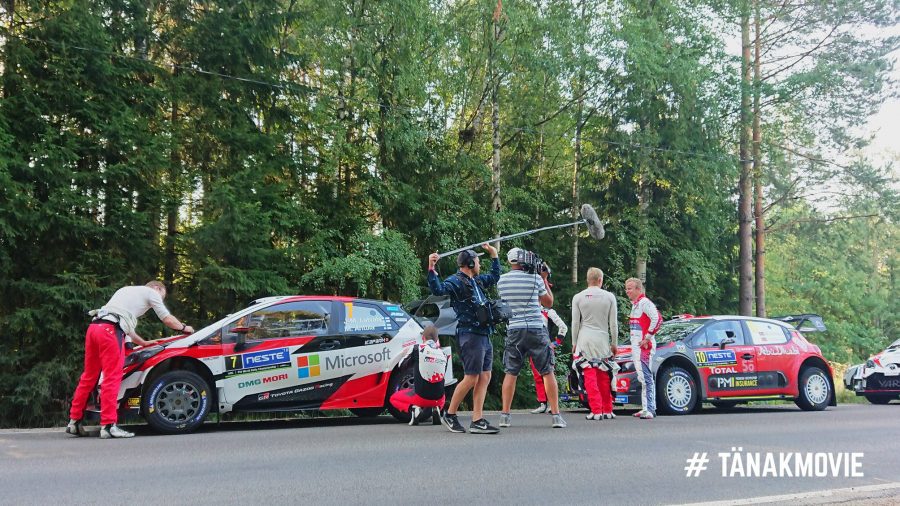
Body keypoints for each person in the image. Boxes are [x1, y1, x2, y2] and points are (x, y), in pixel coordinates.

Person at [67, 281, 195, 439]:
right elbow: (167, 319)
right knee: (112, 377)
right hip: (110, 332)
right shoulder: (151, 292)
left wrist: (142, 343)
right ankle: (108, 426)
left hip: (95, 328)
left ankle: (74, 422)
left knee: (89, 377)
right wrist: (185, 328)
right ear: (157, 288)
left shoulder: (126, 290)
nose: (159, 301)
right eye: (162, 296)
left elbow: (125, 326)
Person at [427, 243, 501, 434]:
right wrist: (431, 268)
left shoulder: (477, 280)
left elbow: (495, 277)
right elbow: (438, 290)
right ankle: (450, 414)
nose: (479, 264)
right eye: (477, 261)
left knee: (485, 376)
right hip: (470, 334)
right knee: (471, 377)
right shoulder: (455, 281)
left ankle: (477, 420)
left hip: (484, 333)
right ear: (470, 263)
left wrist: (494, 256)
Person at [497, 248, 566, 429]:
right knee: (547, 371)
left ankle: (505, 416)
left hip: (514, 329)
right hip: (536, 328)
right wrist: (543, 278)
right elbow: (548, 303)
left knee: (511, 372)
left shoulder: (502, 280)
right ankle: (556, 416)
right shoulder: (535, 278)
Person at [571, 267, 619, 420]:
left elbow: (575, 323)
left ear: (587, 279)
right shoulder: (609, 297)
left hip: (584, 339)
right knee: (604, 374)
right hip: (602, 338)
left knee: (589, 374)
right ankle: (608, 409)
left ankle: (596, 410)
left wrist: (574, 342)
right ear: (600, 280)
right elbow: (613, 324)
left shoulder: (578, 297)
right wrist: (614, 343)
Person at [389, 325, 448, 426]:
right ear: (437, 339)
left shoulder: (416, 349)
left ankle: (414, 409)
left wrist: (405, 355)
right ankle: (436, 408)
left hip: (421, 397)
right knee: (438, 390)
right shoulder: (443, 354)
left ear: (423, 338)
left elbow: (402, 367)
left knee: (393, 398)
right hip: (439, 398)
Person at [625, 277, 661, 420]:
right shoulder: (636, 305)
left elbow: (657, 319)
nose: (627, 291)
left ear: (638, 289)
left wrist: (648, 337)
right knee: (642, 377)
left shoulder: (644, 303)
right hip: (637, 346)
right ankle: (646, 408)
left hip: (644, 347)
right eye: (626, 288)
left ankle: (651, 409)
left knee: (646, 377)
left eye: (630, 288)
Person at [529, 306, 568, 414]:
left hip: (546, 347)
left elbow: (563, 327)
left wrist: (556, 342)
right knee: (537, 376)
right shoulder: (529, 310)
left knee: (549, 375)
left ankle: (552, 404)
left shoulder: (548, 311)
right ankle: (542, 403)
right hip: (532, 347)